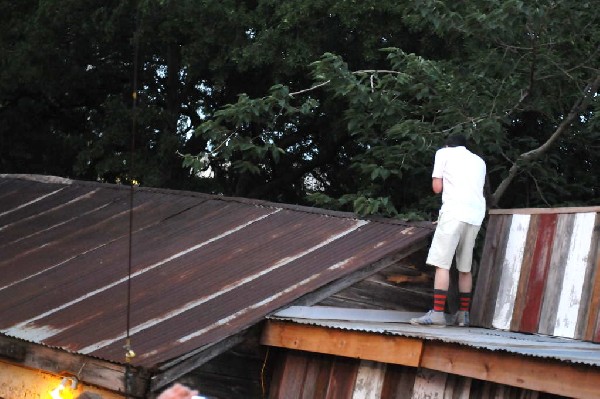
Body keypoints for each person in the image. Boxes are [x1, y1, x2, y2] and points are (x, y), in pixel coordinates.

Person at [410, 134, 486, 327]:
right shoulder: (479, 161)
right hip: (475, 215)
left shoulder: (443, 153)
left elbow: (437, 187)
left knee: (441, 263)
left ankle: (437, 314)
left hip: (453, 212)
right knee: (465, 267)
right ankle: (463, 315)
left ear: (448, 145)